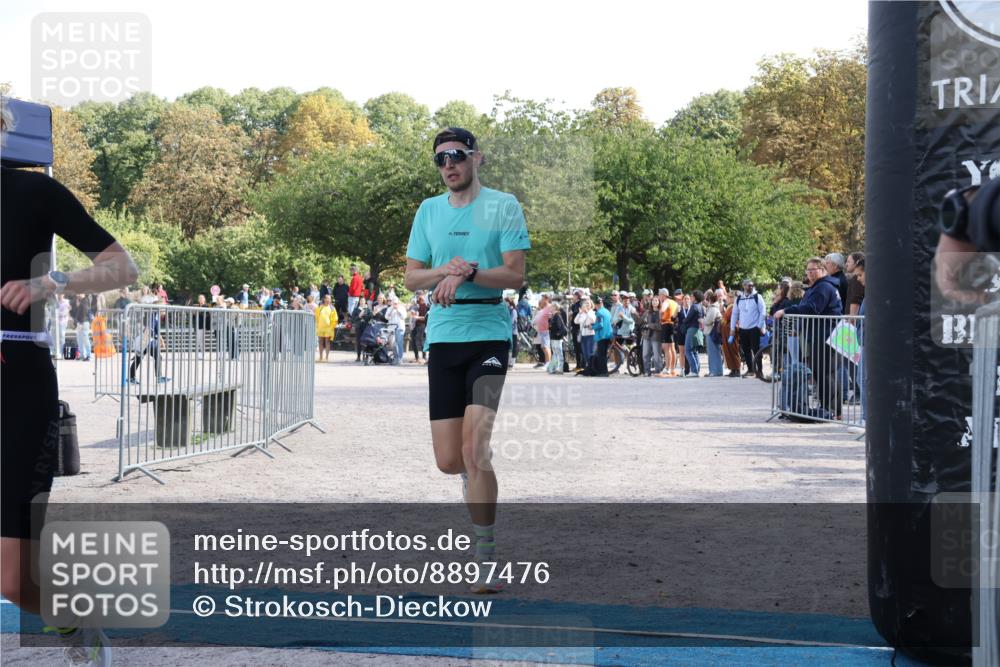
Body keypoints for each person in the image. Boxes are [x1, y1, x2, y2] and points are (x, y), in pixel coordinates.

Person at [2, 97, 138, 667]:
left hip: (18, 385)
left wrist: (50, 282)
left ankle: (77, 623)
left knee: (12, 578)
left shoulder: (35, 192)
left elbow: (122, 267)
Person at [404, 127, 529, 593]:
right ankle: (474, 476)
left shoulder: (503, 205)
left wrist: (471, 272)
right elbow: (412, 278)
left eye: (456, 155)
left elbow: (515, 275)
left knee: (475, 450)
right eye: (440, 159)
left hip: (489, 336)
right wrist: (446, 270)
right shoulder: (428, 211)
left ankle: (486, 556)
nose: (449, 165)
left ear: (476, 157)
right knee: (448, 461)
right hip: (444, 340)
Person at [774, 257, 844, 419]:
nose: (810, 273)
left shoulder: (824, 287)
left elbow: (812, 308)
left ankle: (831, 410)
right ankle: (829, 409)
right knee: (822, 373)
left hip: (825, 335)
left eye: (813, 270)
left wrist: (786, 311)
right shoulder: (819, 286)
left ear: (822, 270)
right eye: (808, 270)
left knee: (826, 373)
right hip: (819, 334)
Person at [730, 279, 767, 378]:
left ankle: (760, 371)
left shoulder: (757, 297)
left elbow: (763, 312)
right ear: (744, 286)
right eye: (748, 285)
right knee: (745, 350)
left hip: (754, 328)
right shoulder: (738, 299)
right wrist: (732, 328)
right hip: (743, 328)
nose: (750, 287)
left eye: (752, 285)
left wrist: (759, 326)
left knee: (756, 350)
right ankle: (750, 370)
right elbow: (734, 314)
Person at [584, 297, 613, 377]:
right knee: (603, 355)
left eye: (596, 305)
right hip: (608, 335)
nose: (595, 307)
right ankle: (605, 371)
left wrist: (592, 327)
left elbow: (600, 325)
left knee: (601, 355)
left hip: (601, 336)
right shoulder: (607, 311)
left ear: (597, 304)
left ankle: (603, 372)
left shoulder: (599, 313)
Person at [681, 291, 705, 377]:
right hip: (698, 330)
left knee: (688, 350)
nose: (690, 297)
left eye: (691, 296)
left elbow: (687, 319)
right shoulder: (701, 306)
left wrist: (683, 321)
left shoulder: (694, 306)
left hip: (691, 330)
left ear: (695, 298)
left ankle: (694, 371)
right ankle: (696, 370)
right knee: (694, 351)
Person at [702, 290, 724, 377]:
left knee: (714, 352)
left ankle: (716, 371)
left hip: (712, 332)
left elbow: (708, 321)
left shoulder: (713, 308)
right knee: (712, 352)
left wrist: (702, 320)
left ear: (709, 300)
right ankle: (713, 371)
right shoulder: (713, 307)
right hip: (711, 332)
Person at [659, 289, 679, 377]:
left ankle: (667, 368)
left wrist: (661, 317)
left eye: (660, 295)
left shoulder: (666, 301)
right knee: (672, 348)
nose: (659, 296)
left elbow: (662, 310)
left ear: (663, 295)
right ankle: (672, 369)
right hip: (672, 325)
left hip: (666, 324)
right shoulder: (674, 302)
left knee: (666, 348)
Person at [641, 295, 664, 376]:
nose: (654, 302)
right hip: (646, 336)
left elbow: (660, 326)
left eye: (656, 300)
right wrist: (634, 314)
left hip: (656, 337)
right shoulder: (647, 312)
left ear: (659, 302)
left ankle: (658, 371)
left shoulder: (661, 312)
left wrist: (649, 325)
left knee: (657, 355)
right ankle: (647, 371)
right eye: (653, 300)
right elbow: (640, 322)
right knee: (645, 354)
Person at [574, 298, 596, 372]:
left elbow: (593, 320)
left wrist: (587, 312)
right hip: (583, 334)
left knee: (590, 352)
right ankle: (588, 366)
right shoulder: (582, 313)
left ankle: (592, 367)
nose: (587, 304)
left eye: (588, 303)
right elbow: (575, 321)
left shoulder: (592, 312)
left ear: (591, 305)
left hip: (591, 334)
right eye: (586, 303)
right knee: (585, 352)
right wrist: (579, 313)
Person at [546, 300, 567, 374]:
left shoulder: (557, 316)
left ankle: (560, 368)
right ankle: (554, 368)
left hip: (557, 337)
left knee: (559, 353)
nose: (550, 308)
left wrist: (551, 326)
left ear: (555, 307)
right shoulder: (553, 316)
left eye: (551, 306)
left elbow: (557, 326)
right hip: (554, 337)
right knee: (555, 353)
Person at [386, 294, 407, 365]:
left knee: (399, 343)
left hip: (400, 327)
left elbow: (404, 317)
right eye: (393, 303)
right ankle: (396, 357)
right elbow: (387, 317)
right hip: (392, 328)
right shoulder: (389, 308)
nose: (395, 304)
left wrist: (397, 310)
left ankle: (400, 358)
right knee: (393, 344)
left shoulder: (401, 308)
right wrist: (392, 310)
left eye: (396, 303)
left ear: (398, 302)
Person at [72, 293, 93, 361]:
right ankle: (81, 355)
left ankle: (88, 355)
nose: (78, 295)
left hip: (84, 322)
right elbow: (75, 313)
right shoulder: (79, 301)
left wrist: (80, 322)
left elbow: (84, 312)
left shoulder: (85, 301)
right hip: (80, 322)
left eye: (80, 293)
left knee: (85, 338)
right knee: (79, 339)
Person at [532, 294, 551, 369]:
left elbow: (551, 318)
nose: (541, 300)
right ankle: (547, 363)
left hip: (546, 330)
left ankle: (548, 363)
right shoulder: (545, 308)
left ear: (546, 299)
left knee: (546, 347)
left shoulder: (549, 307)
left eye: (542, 299)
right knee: (544, 347)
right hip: (542, 330)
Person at [409, 291, 429, 363]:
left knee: (421, 341)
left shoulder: (427, 306)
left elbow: (427, 317)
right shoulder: (415, 305)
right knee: (413, 341)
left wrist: (418, 317)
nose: (418, 297)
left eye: (420, 295)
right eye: (417, 295)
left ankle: (424, 357)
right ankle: (416, 357)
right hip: (414, 325)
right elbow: (411, 314)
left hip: (423, 325)